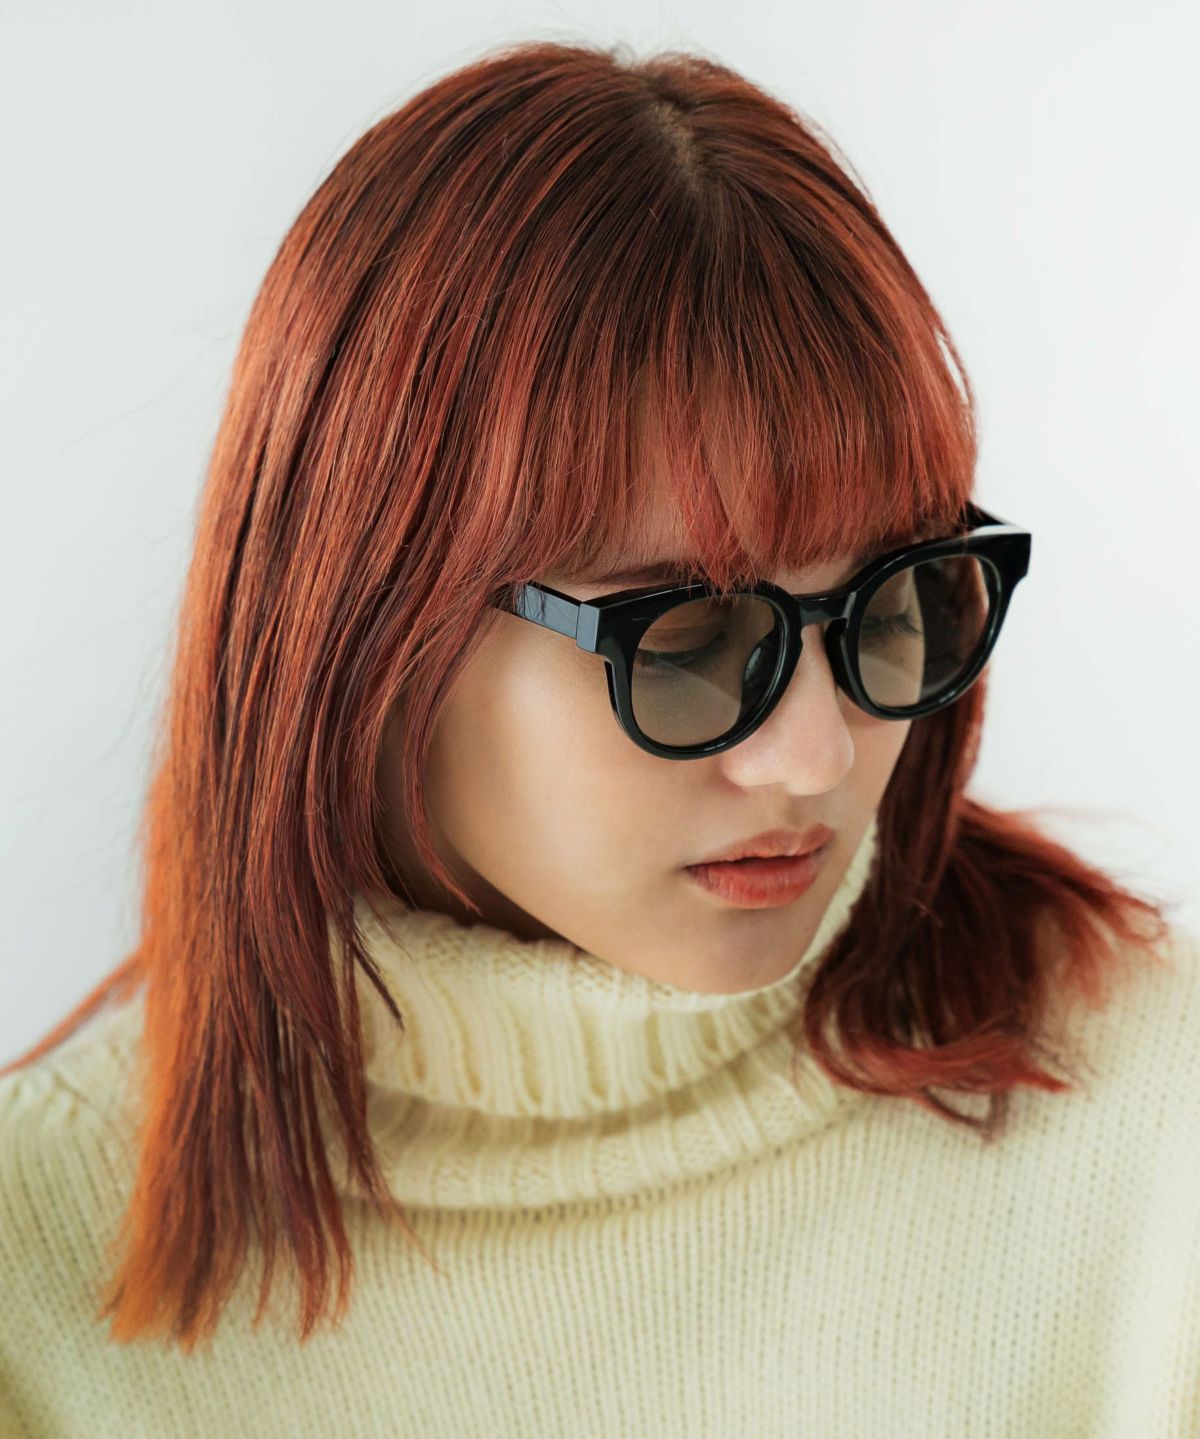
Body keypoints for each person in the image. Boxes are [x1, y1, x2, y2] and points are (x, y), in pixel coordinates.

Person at [1, 37, 1195, 1439]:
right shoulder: (38, 1279)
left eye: (891, 603)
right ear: (365, 632)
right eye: (686, 642)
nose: (816, 758)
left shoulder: (1154, 1132)